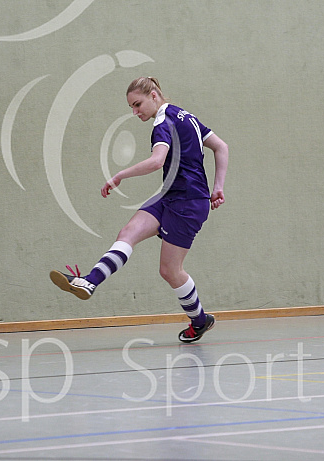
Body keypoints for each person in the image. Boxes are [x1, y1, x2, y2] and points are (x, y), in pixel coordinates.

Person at [50, 77, 229, 343]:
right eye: (131, 108)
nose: (135, 112)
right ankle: (90, 281)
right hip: (171, 195)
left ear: (154, 95)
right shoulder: (186, 116)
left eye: (137, 104)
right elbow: (220, 146)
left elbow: (157, 161)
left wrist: (120, 175)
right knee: (128, 231)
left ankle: (200, 320)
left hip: (188, 203)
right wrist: (218, 187)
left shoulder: (162, 122)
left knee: (170, 271)